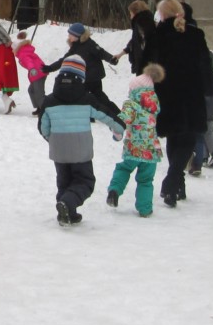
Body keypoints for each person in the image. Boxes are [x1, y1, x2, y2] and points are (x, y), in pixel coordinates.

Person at [38, 55, 125, 226]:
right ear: (82, 77)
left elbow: (43, 127)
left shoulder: (49, 101)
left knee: (64, 182)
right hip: (81, 150)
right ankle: (68, 204)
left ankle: (67, 212)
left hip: (59, 150)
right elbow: (106, 115)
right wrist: (118, 129)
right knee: (85, 182)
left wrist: (52, 139)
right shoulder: (87, 99)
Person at [144, 0, 213, 208]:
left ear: (163, 15)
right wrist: (210, 89)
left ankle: (176, 185)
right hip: (192, 94)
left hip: (167, 94)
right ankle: (172, 182)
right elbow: (205, 65)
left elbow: (145, 65)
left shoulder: (157, 36)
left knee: (175, 138)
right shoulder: (195, 35)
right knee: (188, 139)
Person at [107, 63, 165, 217]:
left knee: (124, 169)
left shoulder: (131, 104)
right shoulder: (154, 104)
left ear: (135, 91)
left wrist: (117, 134)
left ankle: (114, 190)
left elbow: (121, 122)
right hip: (151, 150)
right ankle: (145, 209)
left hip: (134, 147)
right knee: (146, 180)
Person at [42, 22, 121, 120]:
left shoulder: (90, 44)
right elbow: (64, 60)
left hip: (94, 76)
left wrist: (111, 59)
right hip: (84, 77)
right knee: (85, 97)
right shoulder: (75, 46)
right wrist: (50, 68)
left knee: (99, 97)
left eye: (70, 35)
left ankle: (118, 114)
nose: (68, 36)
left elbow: (102, 53)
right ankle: (90, 115)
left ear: (77, 36)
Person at [181, 3, 213, 176]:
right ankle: (208, 154)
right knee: (206, 129)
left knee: (200, 130)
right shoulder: (208, 64)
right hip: (211, 97)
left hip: (199, 97)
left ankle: (203, 157)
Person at [115, 0, 156, 75]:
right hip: (145, 65)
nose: (130, 17)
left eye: (131, 14)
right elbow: (134, 42)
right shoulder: (145, 22)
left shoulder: (141, 23)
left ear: (136, 12)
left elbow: (143, 44)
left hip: (145, 67)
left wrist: (141, 66)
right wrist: (121, 54)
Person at [13, 30, 48, 113]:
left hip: (37, 73)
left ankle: (44, 109)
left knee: (39, 92)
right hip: (38, 73)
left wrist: (32, 69)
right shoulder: (25, 50)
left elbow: (29, 61)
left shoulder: (23, 54)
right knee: (31, 90)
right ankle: (39, 107)